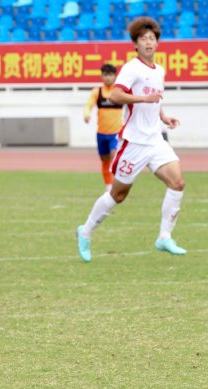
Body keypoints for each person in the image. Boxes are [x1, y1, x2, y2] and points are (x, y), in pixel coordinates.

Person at [76, 17, 186, 262]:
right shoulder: (131, 68)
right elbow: (115, 95)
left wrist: (164, 116)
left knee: (177, 183)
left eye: (152, 38)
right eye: (143, 39)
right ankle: (85, 231)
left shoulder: (159, 70)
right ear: (135, 44)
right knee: (118, 196)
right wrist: (142, 99)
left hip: (155, 140)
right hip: (133, 143)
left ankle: (164, 237)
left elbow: (155, 98)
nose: (148, 42)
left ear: (157, 43)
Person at [83, 63, 123, 191]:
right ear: (102, 76)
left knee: (114, 157)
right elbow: (88, 104)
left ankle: (117, 187)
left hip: (116, 133)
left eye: (110, 75)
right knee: (105, 161)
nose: (108, 78)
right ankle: (108, 187)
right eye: (105, 75)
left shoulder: (119, 92)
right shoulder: (97, 92)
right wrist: (86, 114)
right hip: (101, 133)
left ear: (115, 76)